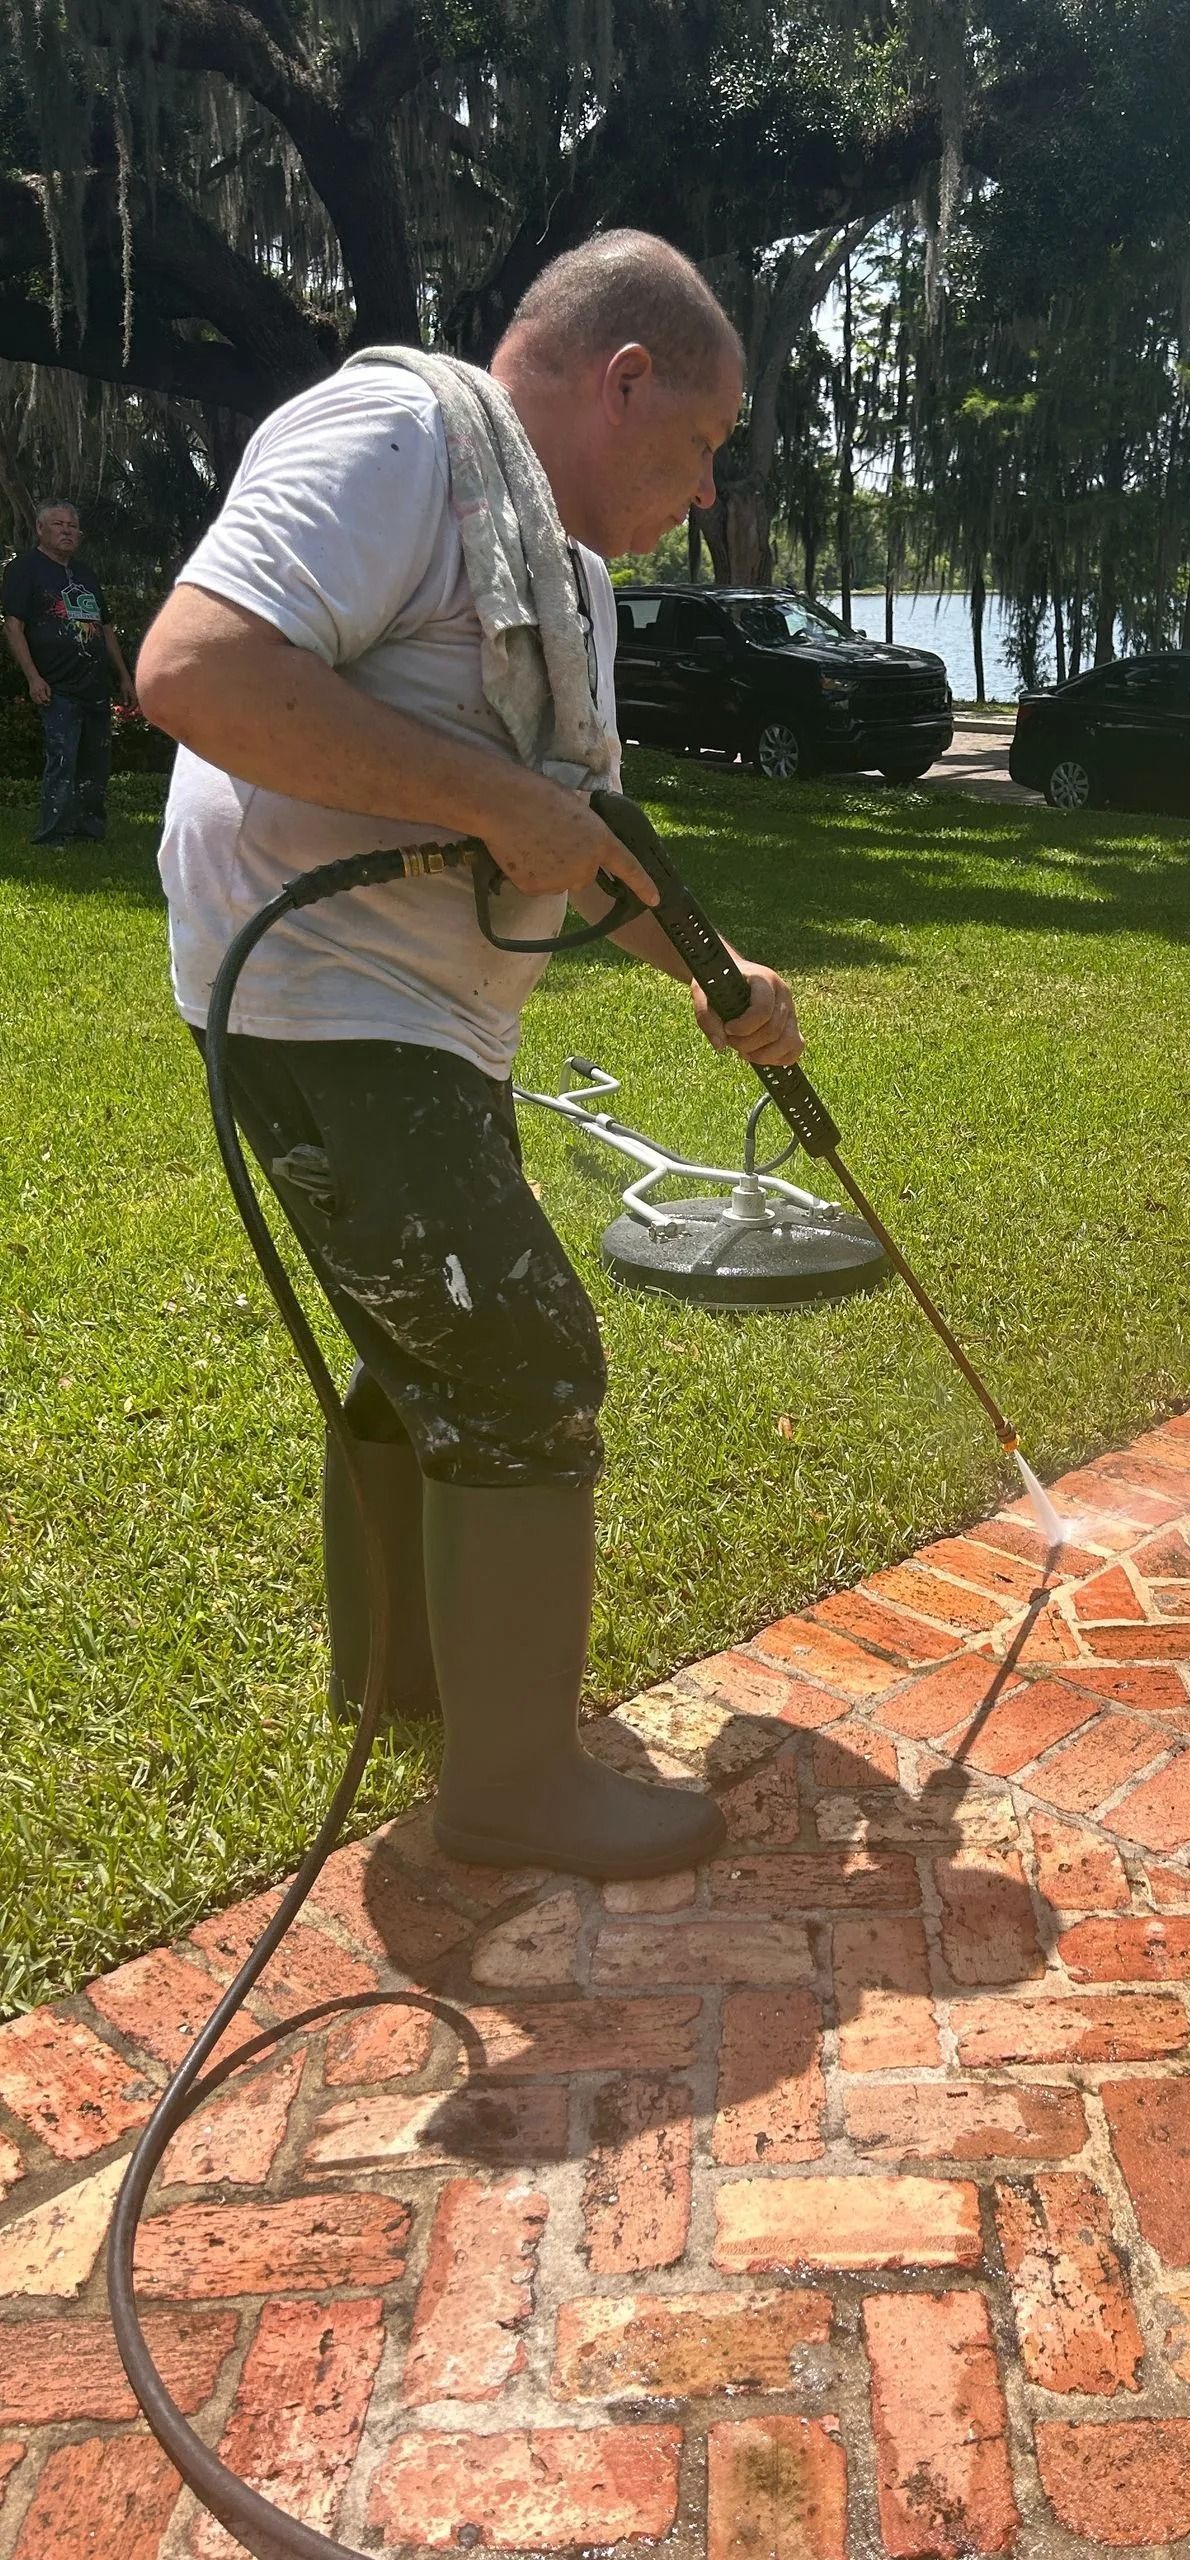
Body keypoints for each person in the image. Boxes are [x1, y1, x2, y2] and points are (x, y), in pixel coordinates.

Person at [136, 232, 802, 1883]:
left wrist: (713, 971)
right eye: (701, 444)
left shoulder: (564, 576)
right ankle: (510, 1794)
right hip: (319, 1002)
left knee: (420, 1346)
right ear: (623, 379)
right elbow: (195, 670)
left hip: (429, 1023)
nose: (705, 492)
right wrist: (494, 801)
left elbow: (577, 831)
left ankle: (407, 1683)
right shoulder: (402, 441)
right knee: (517, 1363)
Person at [2, 500, 138, 844]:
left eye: (72, 526)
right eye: (58, 524)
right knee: (62, 760)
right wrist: (33, 677)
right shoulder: (24, 569)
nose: (67, 531)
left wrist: (124, 676)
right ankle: (53, 834)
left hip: (95, 684)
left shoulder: (85, 573)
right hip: (56, 685)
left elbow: (105, 627)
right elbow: (14, 626)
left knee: (95, 762)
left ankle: (89, 830)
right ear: (40, 529)